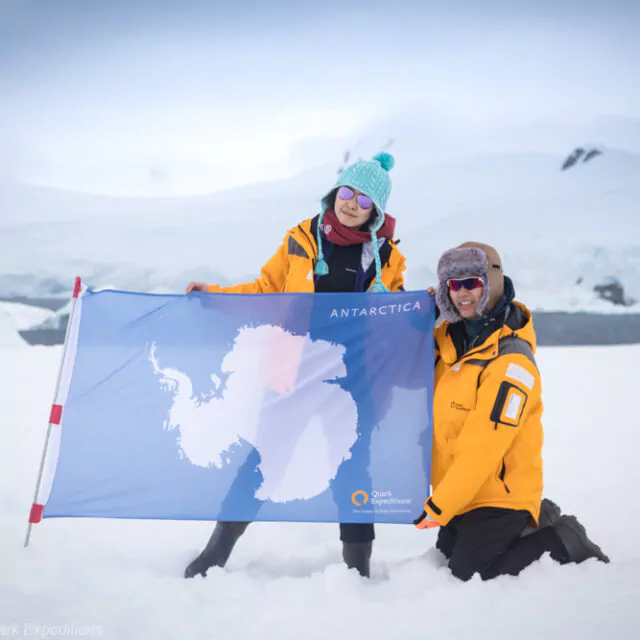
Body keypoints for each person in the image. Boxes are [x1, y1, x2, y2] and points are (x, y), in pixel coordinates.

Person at [184, 152, 405, 579]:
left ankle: (357, 566)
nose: (351, 203)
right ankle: (217, 549)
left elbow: (393, 311)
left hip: (353, 380)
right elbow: (265, 289)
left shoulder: (385, 255)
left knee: (352, 467)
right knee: (265, 459)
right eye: (347, 192)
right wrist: (213, 295)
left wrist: (424, 307)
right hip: (295, 372)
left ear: (375, 211)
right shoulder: (301, 239)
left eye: (363, 201)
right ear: (334, 192)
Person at [413, 242, 609, 581]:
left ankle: (560, 538)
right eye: (453, 285)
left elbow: (485, 445)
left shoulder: (512, 360)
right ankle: (537, 516)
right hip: (464, 493)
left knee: (468, 576)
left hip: (498, 495)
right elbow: (399, 355)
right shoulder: (451, 343)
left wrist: (440, 505)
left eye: (471, 282)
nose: (462, 294)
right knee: (443, 562)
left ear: (492, 284)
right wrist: (417, 314)